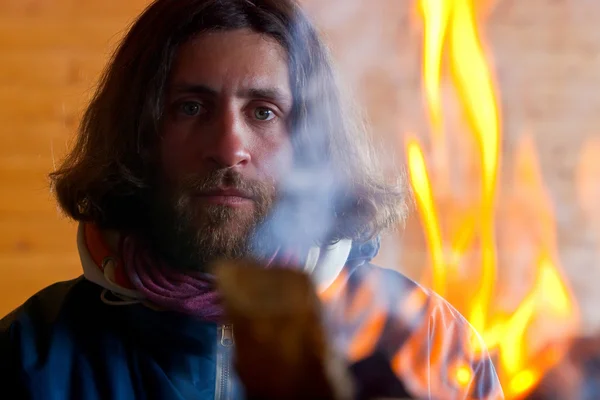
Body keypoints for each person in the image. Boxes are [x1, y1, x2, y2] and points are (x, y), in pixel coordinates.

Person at [0, 0, 504, 399]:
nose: (228, 148)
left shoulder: (430, 348)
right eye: (191, 107)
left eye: (262, 112)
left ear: (309, 141)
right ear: (141, 134)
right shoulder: (25, 357)